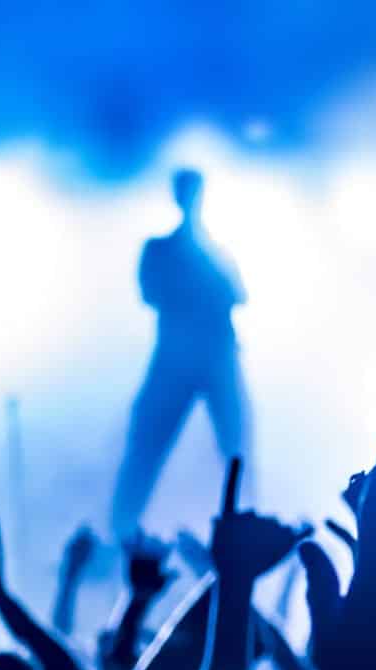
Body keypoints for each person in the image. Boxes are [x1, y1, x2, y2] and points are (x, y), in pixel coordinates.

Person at [109, 167, 251, 540]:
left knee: (237, 449)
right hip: (176, 359)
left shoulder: (216, 251)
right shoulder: (161, 249)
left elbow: (239, 294)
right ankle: (118, 535)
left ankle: (250, 531)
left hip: (214, 357)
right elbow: (151, 293)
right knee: (146, 444)